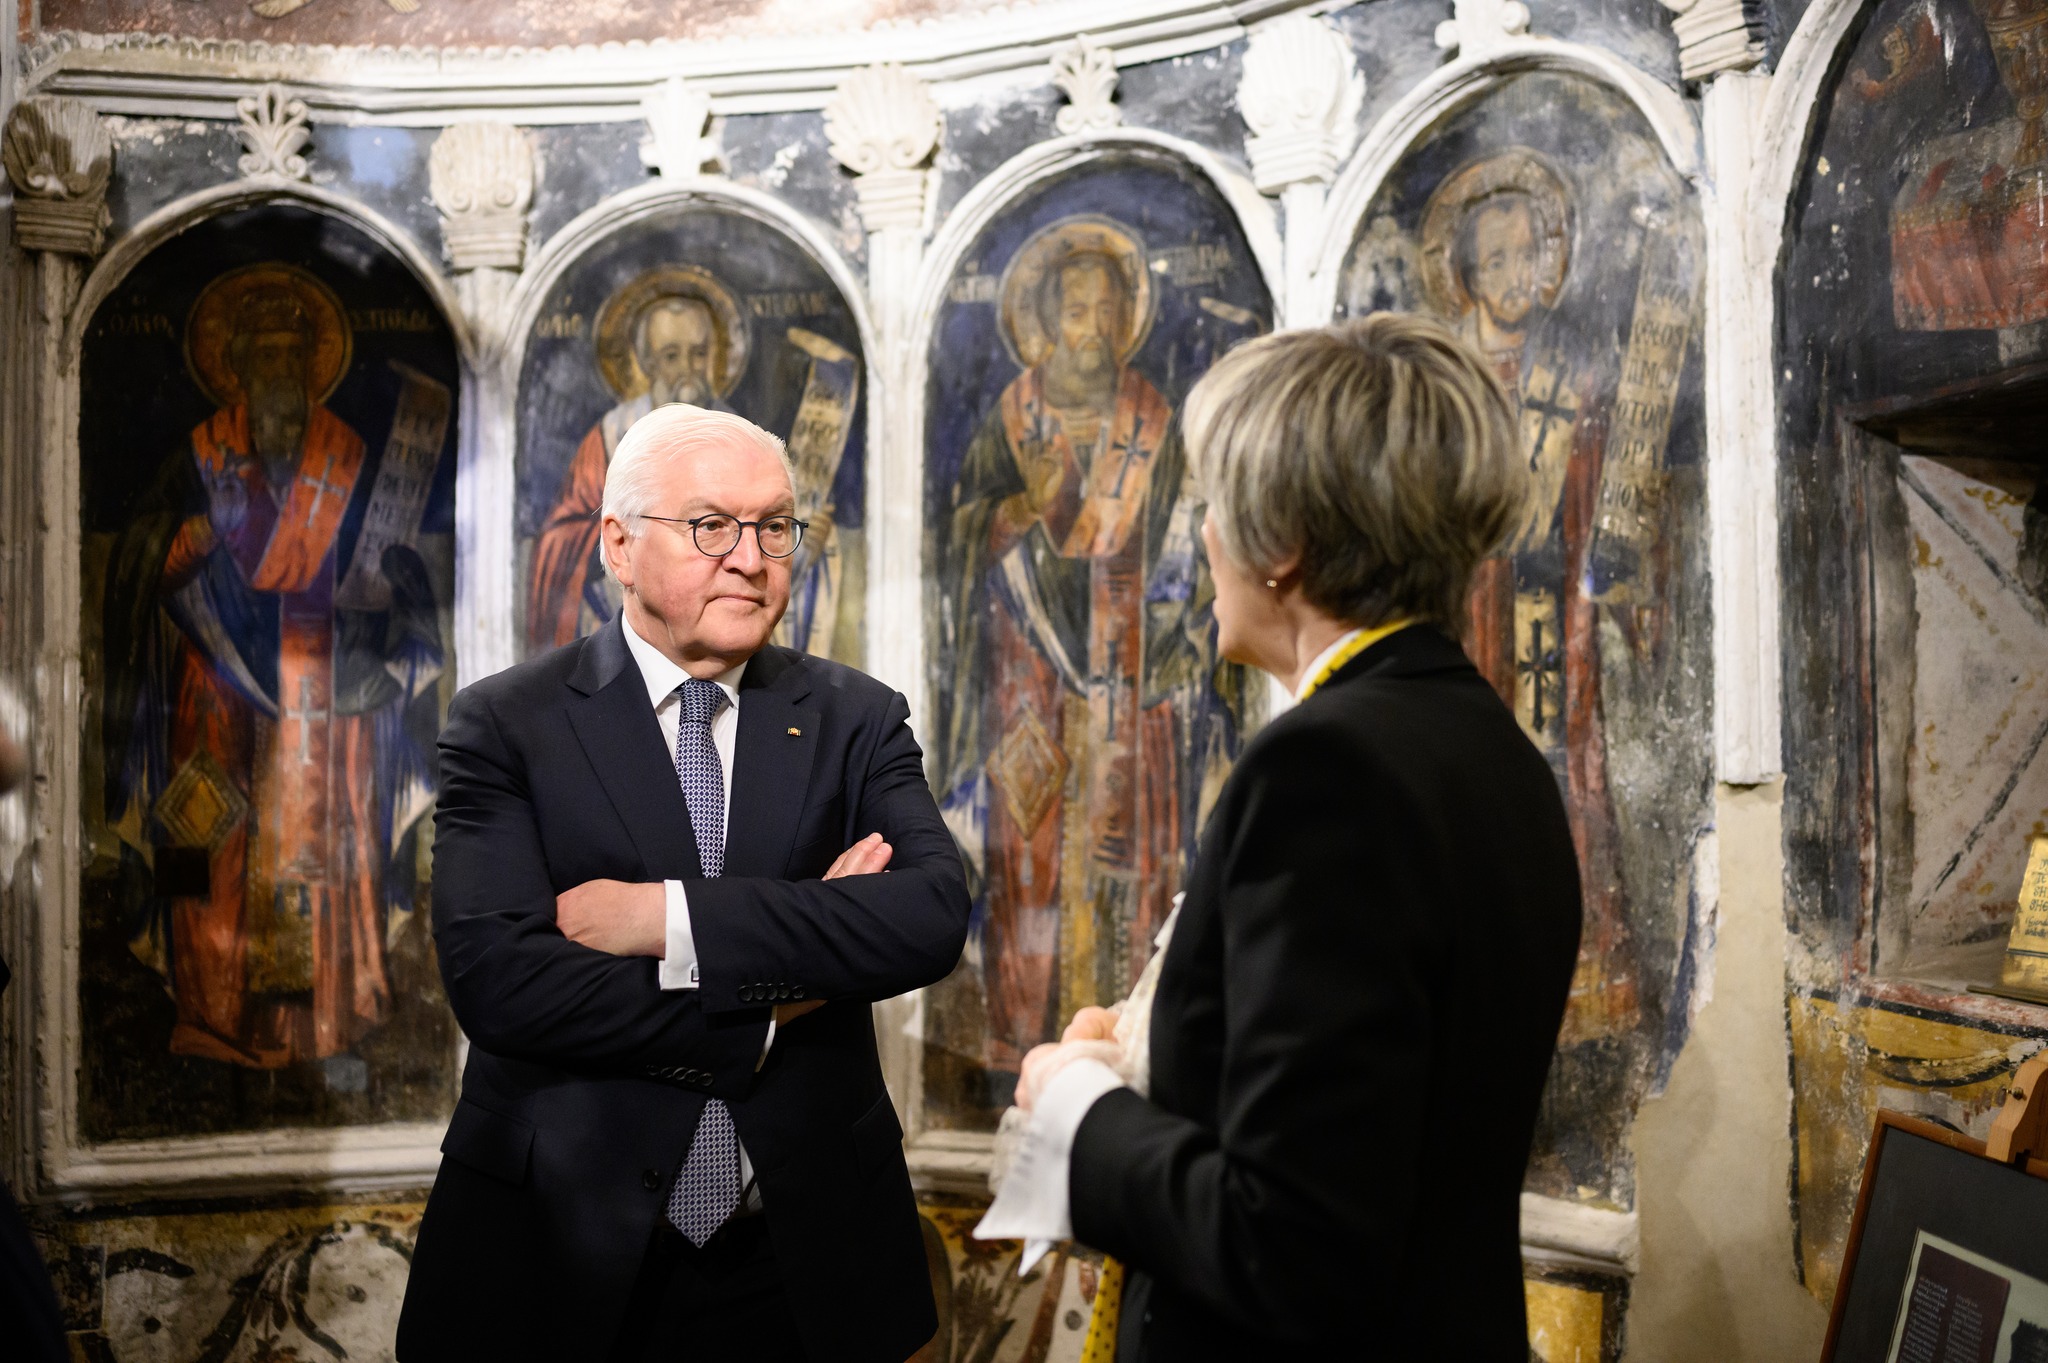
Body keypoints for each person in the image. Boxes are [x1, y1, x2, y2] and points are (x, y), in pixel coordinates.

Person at [983, 314, 1584, 1358]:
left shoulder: (1327, 769)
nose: (1202, 537)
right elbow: (1371, 1116)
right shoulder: (1484, 743)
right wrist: (1146, 1067)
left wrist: (1075, 1104)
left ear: (1283, 545)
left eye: (1213, 506)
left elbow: (1293, 1245)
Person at [396, 405, 971, 1362]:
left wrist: (665, 917)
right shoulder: (506, 724)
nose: (751, 558)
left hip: (805, 1257)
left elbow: (928, 916)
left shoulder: (855, 717)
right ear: (619, 545)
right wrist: (777, 1001)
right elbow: (504, 985)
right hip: (559, 1251)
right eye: (711, 526)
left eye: (775, 526)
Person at [102, 275, 435, 1068]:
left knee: (334, 844)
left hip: (326, 690)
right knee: (206, 847)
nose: (281, 371)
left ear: (313, 365)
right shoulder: (202, 451)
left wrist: (397, 581)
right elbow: (143, 559)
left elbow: (383, 566)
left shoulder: (344, 455)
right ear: (239, 365)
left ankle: (323, 1026)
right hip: (215, 691)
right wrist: (198, 535)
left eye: (294, 355)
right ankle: (213, 1018)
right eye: (266, 356)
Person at [935, 235, 1213, 1081]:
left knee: (1141, 854)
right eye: (1075, 310)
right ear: (1046, 321)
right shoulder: (1013, 415)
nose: (1090, 327)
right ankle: (1021, 1046)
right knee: (1032, 855)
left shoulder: (1152, 420)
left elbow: (1184, 537)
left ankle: (1135, 1055)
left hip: (1137, 679)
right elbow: (961, 535)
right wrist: (1023, 505)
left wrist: (1173, 633)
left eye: (1105, 310)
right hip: (1030, 679)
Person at [530, 294, 733, 651]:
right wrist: (634, 539)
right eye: (671, 356)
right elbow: (563, 531)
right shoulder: (611, 435)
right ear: (646, 363)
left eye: (699, 353)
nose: (688, 368)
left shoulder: (737, 433)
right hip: (623, 617)